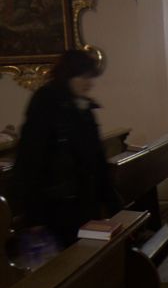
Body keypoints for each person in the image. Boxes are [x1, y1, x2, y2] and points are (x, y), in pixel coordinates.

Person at [12, 49, 121, 248]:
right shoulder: (45, 103)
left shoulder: (82, 107)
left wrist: (112, 203)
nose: (89, 83)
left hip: (84, 200)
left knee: (87, 254)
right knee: (68, 257)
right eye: (84, 77)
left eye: (90, 77)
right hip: (57, 204)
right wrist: (33, 217)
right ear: (69, 75)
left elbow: (96, 157)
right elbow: (30, 159)